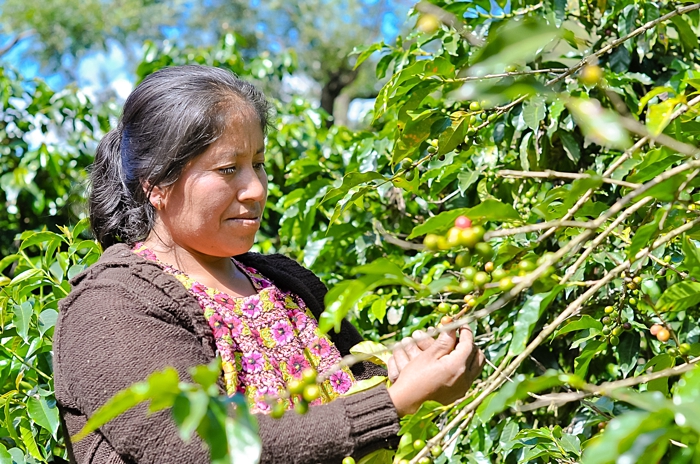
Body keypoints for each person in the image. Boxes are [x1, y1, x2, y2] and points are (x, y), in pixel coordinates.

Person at [54, 65, 485, 464]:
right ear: (156, 184)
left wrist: (410, 375)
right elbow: (195, 445)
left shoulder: (284, 283)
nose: (255, 189)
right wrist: (392, 403)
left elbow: (356, 389)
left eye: (258, 165)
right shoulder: (109, 307)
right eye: (228, 169)